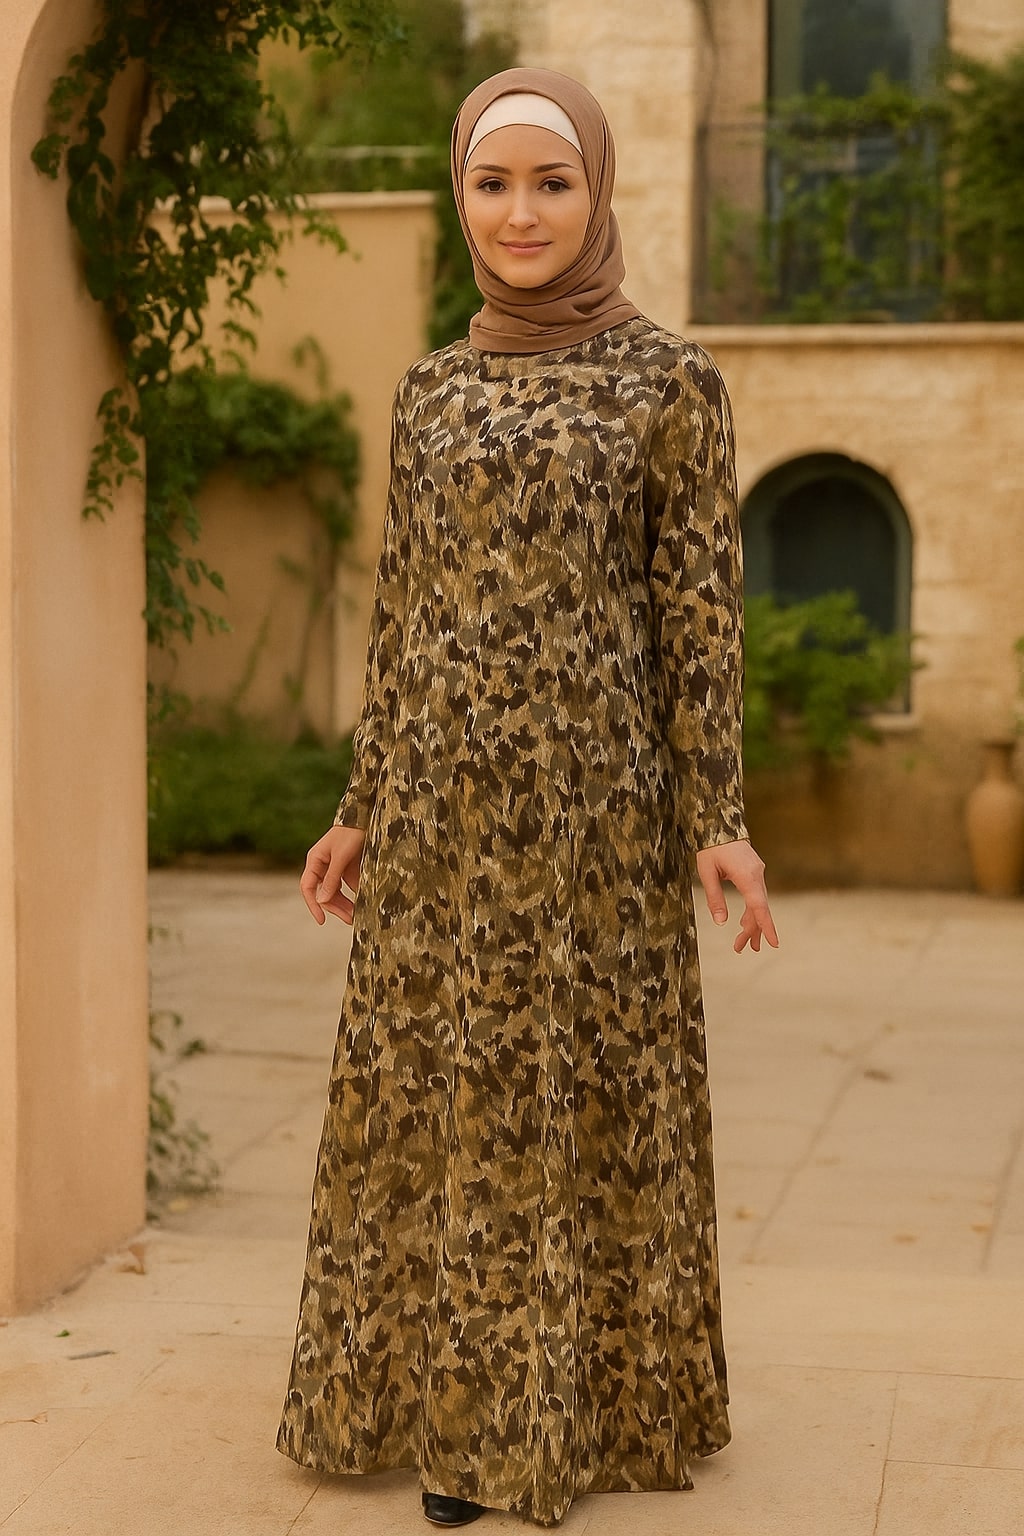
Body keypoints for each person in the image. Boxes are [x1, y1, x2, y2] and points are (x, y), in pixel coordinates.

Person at [277, 66, 779, 1531]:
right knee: (435, 1104)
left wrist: (721, 821)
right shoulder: (432, 387)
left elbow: (700, 617)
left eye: (550, 183)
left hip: (589, 823)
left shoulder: (670, 383)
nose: (520, 213)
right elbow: (404, 610)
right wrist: (361, 799)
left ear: (597, 192)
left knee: (556, 1102)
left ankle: (538, 1423)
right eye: (493, 184)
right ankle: (435, 1402)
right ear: (460, 195)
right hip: (437, 818)